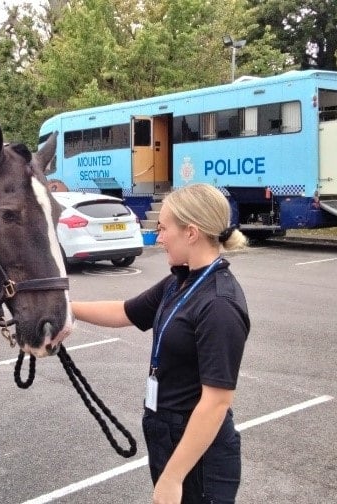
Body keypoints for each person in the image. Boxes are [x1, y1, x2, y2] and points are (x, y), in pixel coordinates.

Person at [71, 183, 250, 504]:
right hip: (167, 436)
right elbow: (125, 311)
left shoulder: (219, 304)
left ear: (191, 233)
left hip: (200, 454)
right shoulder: (179, 281)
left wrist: (173, 477)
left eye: (164, 228)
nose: (159, 237)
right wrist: (66, 310)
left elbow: (216, 402)